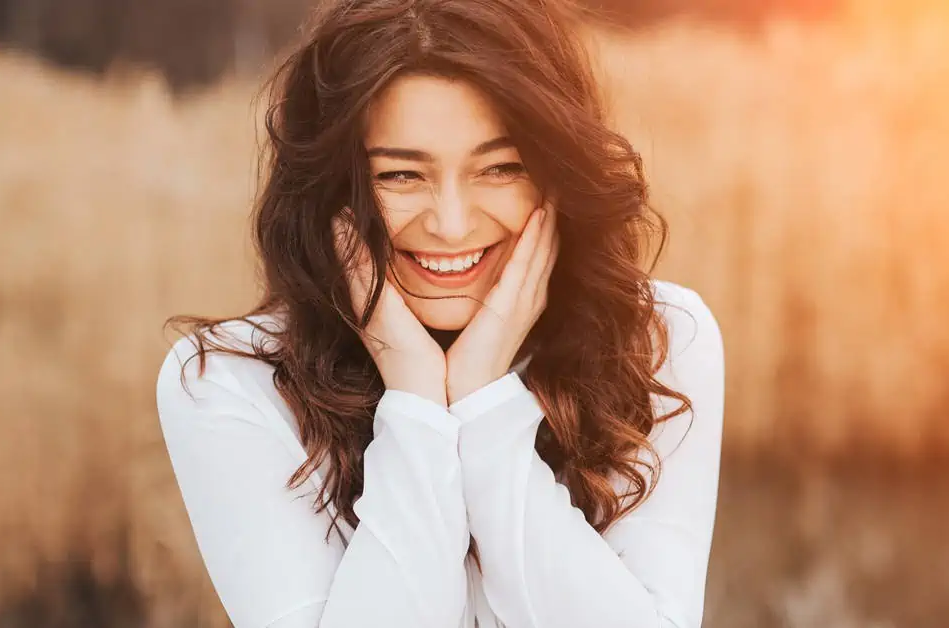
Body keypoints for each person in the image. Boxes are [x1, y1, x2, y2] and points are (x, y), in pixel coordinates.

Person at [154, 0, 725, 626]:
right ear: (330, 188)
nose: (451, 224)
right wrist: (419, 405)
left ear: (556, 176)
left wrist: (484, 405)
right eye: (401, 175)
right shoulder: (232, 383)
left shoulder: (660, 338)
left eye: (501, 167)